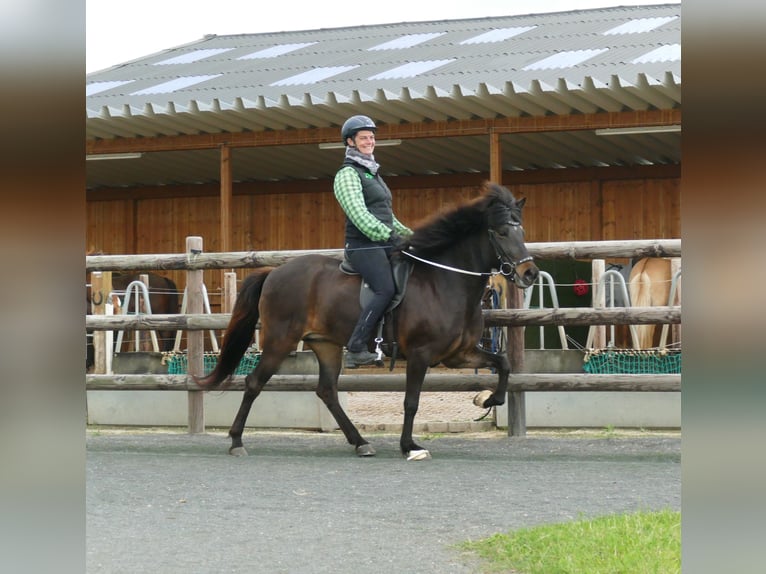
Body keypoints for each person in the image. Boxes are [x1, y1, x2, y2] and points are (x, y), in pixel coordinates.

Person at [333, 115, 412, 368]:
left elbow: (388, 217)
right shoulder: (347, 174)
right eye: (364, 137)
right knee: (385, 289)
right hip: (363, 246)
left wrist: (412, 236)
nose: (370, 141)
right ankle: (356, 347)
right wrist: (387, 235)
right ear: (351, 142)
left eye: (371, 137)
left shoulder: (372, 173)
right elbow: (358, 213)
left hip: (383, 242)